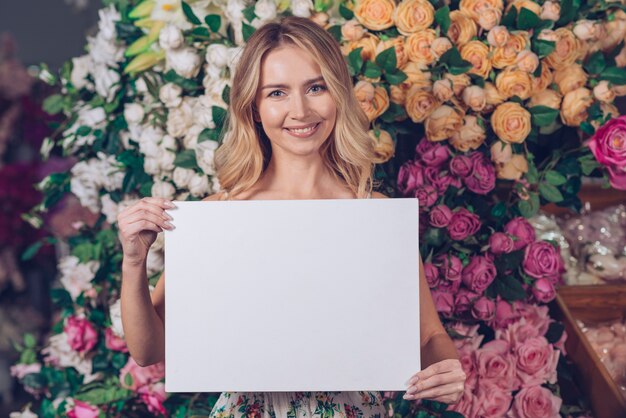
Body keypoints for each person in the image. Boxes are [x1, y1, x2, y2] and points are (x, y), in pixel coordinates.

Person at [118, 16, 465, 418]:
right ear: (254, 106)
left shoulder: (373, 216)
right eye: (277, 92)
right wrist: (133, 261)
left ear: (337, 93)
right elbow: (148, 351)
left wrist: (447, 373)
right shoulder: (221, 217)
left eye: (315, 88)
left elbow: (430, 337)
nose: (299, 110)